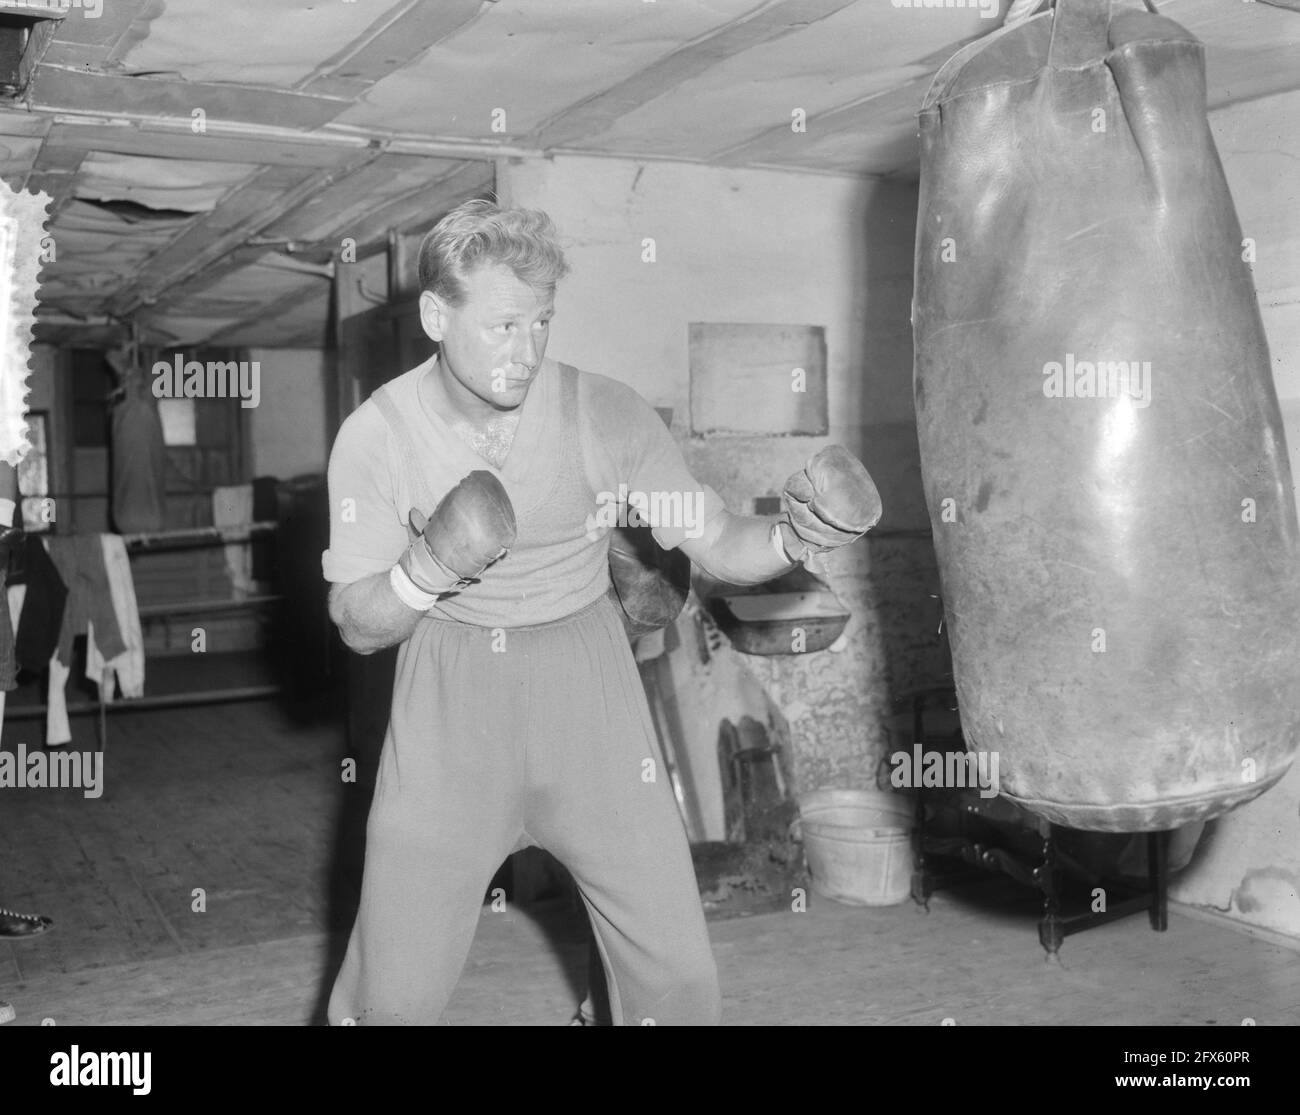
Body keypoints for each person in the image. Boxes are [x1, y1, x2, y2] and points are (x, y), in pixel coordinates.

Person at [322, 199, 880, 1025]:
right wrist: (427, 565)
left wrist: (799, 535)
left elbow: (719, 539)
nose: (527, 351)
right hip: (449, 700)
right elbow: (357, 622)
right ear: (437, 315)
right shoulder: (377, 436)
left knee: (674, 971)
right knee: (389, 992)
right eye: (504, 325)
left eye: (542, 322)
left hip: (588, 693)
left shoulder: (602, 413)